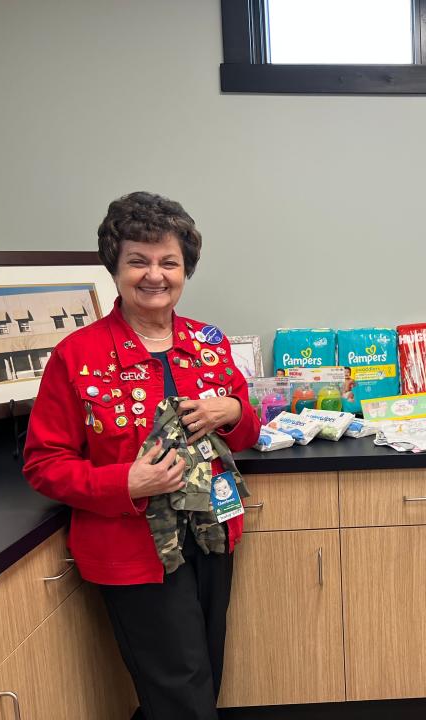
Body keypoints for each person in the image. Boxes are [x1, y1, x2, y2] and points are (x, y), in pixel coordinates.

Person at [24, 191, 261, 720]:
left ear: (184, 270)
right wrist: (125, 484)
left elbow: (247, 433)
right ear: (116, 266)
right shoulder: (76, 355)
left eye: (168, 262)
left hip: (214, 535)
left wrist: (230, 409)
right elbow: (43, 464)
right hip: (134, 551)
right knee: (180, 689)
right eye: (139, 260)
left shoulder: (209, 342)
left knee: (204, 671)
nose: (154, 275)